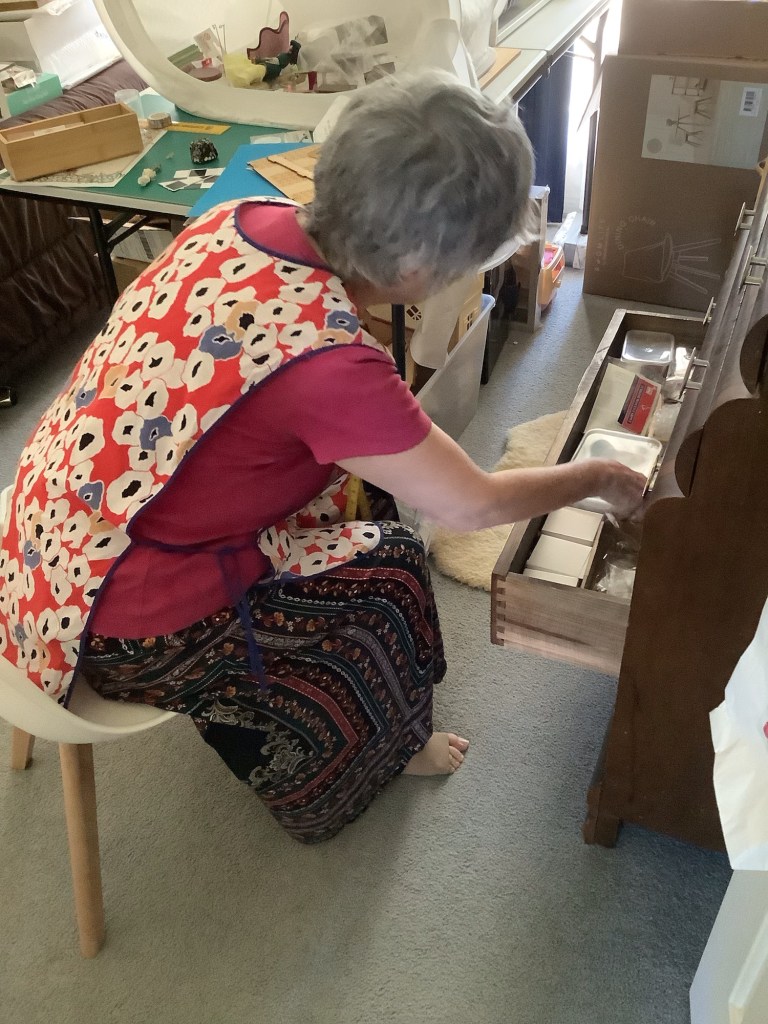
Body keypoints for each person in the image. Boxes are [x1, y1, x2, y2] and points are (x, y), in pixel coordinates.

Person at [0, 72, 644, 844]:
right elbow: (471, 504)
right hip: (128, 625)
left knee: (370, 494)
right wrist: (598, 477)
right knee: (392, 573)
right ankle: (359, 759)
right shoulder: (332, 366)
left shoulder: (235, 216)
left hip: (41, 539)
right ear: (416, 267)